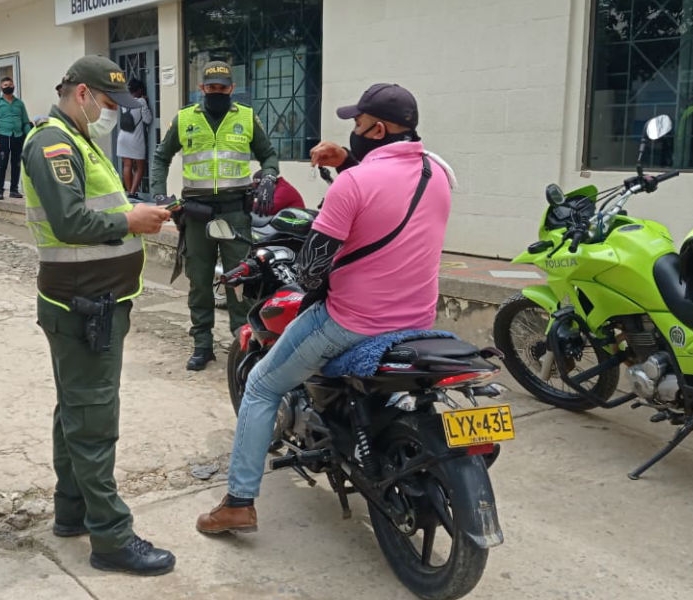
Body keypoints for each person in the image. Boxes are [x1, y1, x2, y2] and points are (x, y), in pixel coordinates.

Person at [196, 83, 456, 533]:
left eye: (356, 124)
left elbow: (313, 270)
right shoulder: (439, 172)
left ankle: (238, 502)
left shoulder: (352, 186)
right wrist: (350, 160)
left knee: (260, 385)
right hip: (417, 319)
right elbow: (392, 196)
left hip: (353, 322)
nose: (351, 131)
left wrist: (305, 274)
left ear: (375, 128)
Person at [21, 54, 176, 576]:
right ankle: (111, 538)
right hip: (83, 304)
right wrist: (129, 219)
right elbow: (69, 221)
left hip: (94, 299)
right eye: (110, 103)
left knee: (76, 409)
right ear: (82, 94)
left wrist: (133, 209)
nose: (115, 114)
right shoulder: (53, 143)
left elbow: (94, 205)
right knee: (93, 420)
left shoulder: (80, 139)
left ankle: (73, 511)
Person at [150, 61, 280, 371]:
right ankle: (202, 345)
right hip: (197, 215)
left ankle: (243, 344)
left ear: (231, 89)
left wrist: (270, 175)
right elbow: (160, 157)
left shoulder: (247, 118)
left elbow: (269, 154)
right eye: (211, 87)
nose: (216, 92)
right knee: (199, 282)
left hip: (236, 213)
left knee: (240, 283)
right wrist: (159, 195)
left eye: (222, 87)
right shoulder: (185, 119)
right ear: (202, 88)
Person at [0, 76, 32, 200]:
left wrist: (29, 136)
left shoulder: (19, 103)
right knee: (2, 164)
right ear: (1, 88)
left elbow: (25, 122)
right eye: (5, 85)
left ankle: (14, 190)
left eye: (10, 85)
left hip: (18, 136)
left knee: (17, 164)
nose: (8, 87)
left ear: (14, 86)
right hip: (3, 137)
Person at [116, 79, 153, 198]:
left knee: (127, 165)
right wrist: (145, 102)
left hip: (123, 136)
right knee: (140, 166)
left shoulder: (123, 101)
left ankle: (129, 192)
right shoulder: (141, 101)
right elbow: (148, 119)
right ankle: (133, 192)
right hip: (135, 137)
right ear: (140, 90)